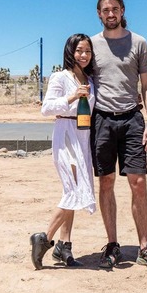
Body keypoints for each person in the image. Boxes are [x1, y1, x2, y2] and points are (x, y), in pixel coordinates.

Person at [90, 0, 147, 271]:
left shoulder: (139, 43)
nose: (110, 14)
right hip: (102, 121)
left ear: (122, 11)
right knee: (106, 181)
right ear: (99, 14)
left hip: (132, 120)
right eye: (105, 10)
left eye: (115, 9)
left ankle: (145, 247)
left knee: (138, 182)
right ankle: (112, 245)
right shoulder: (91, 45)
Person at [29, 33, 97, 270]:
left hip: (83, 135)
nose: (84, 55)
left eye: (87, 51)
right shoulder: (60, 77)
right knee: (73, 190)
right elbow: (46, 109)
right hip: (65, 133)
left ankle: (64, 246)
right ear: (70, 51)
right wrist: (72, 96)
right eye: (79, 50)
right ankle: (44, 239)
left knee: (76, 189)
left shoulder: (91, 79)